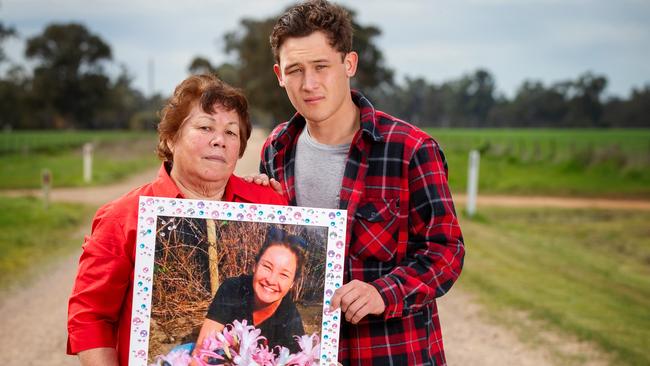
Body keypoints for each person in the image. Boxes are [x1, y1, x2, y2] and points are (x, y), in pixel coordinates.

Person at [257, 1, 466, 364]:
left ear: (349, 63)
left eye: (321, 66)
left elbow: (446, 251)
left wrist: (384, 293)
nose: (309, 84)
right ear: (279, 74)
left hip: (390, 354)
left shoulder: (410, 150)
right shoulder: (276, 150)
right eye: (295, 70)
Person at [66, 74, 287, 366]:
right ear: (170, 138)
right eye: (205, 127)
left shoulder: (269, 205)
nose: (219, 140)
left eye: (231, 133)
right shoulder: (126, 216)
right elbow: (91, 317)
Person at [194, 227, 306, 356]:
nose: (271, 280)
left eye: (284, 275)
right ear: (254, 266)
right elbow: (201, 352)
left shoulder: (290, 317)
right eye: (267, 267)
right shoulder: (233, 288)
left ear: (292, 283)